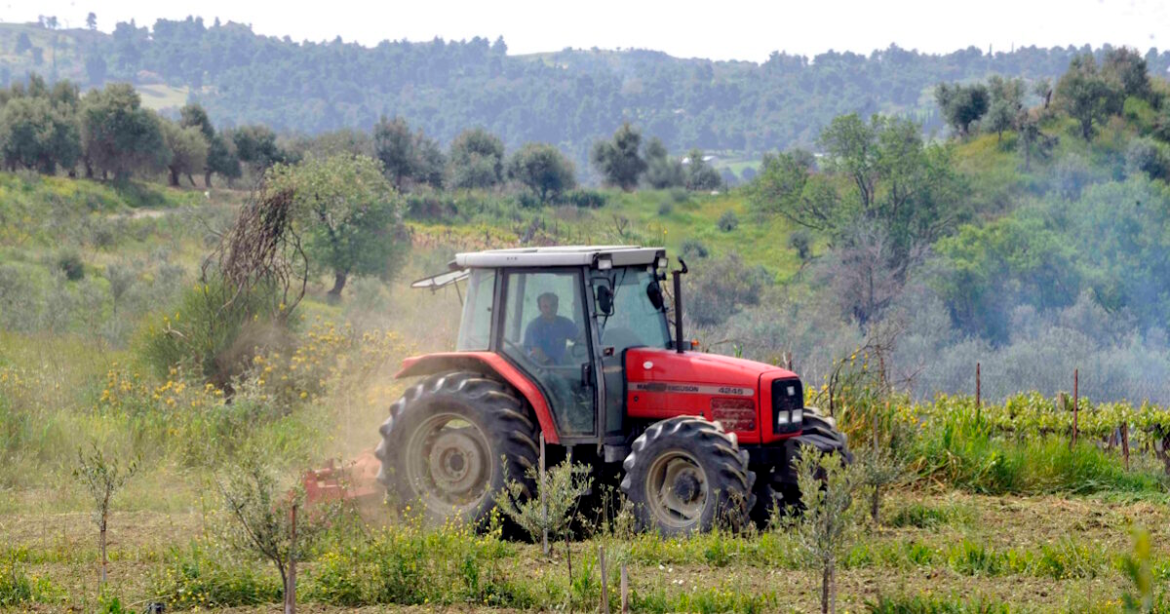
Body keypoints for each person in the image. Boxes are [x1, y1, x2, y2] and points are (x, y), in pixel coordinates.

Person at [523, 292, 579, 365]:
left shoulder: (565, 323)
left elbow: (579, 337)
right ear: (540, 308)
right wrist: (552, 366)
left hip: (561, 367)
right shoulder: (534, 327)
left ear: (557, 306)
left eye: (553, 305)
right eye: (545, 307)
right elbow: (536, 351)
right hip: (538, 370)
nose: (549, 310)